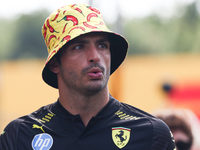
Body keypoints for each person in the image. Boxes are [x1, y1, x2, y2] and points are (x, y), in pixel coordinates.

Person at [0, 3, 176, 150]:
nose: (95, 56)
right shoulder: (19, 135)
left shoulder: (151, 133)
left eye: (102, 45)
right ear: (55, 64)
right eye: (79, 47)